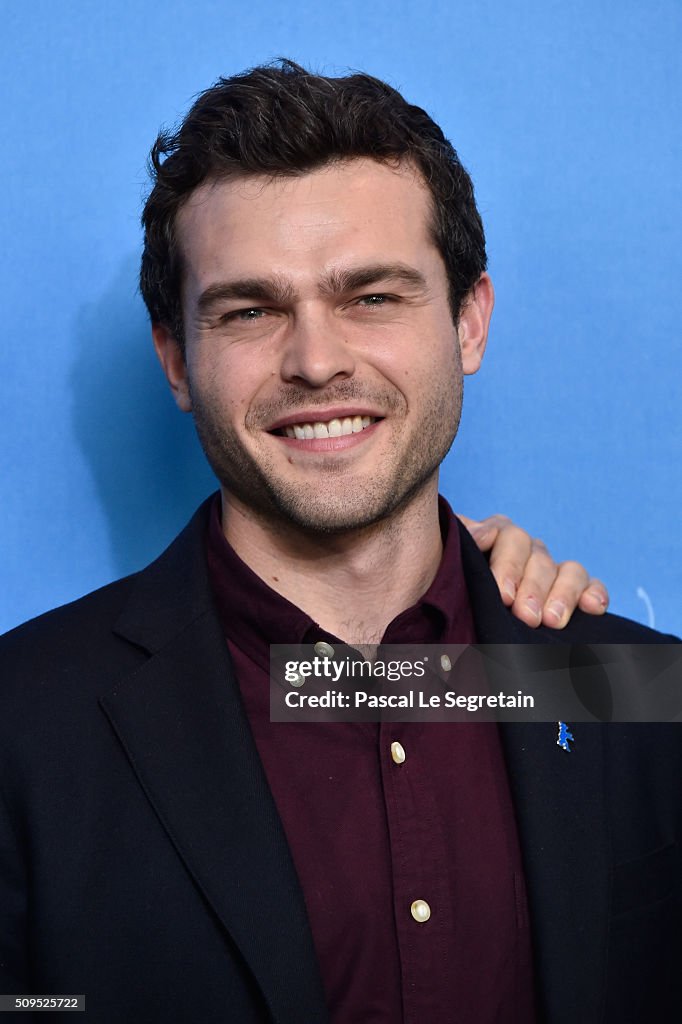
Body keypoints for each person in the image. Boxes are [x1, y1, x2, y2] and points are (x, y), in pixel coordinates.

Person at [0, 60, 679, 1024]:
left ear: (470, 321)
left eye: (371, 297)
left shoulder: (635, 696)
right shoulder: (23, 729)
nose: (316, 361)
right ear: (175, 361)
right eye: (250, 310)